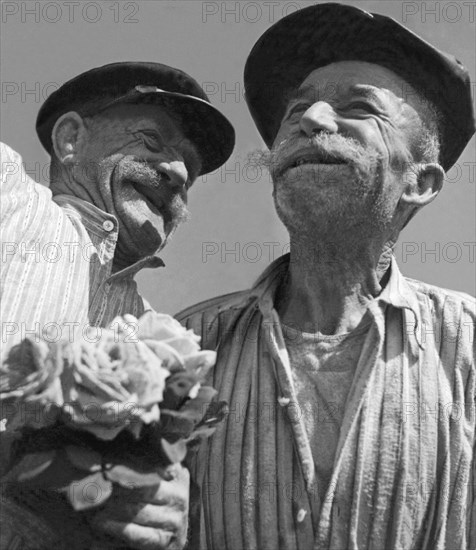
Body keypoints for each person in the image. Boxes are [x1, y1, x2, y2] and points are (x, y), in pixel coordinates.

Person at [177, 4, 476, 549]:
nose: (310, 121)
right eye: (295, 113)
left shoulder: (468, 345)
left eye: (359, 107)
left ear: (420, 182)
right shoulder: (187, 345)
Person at [0, 62, 234, 550]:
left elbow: (86, 494)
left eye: (189, 170)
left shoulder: (161, 337)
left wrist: (142, 503)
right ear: (70, 141)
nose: (177, 172)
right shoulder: (9, 198)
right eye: (151, 142)